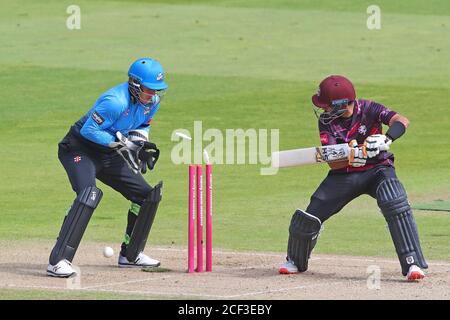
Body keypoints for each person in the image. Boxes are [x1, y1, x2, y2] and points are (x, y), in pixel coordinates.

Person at [279, 75, 428, 281]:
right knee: (310, 214)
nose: (323, 110)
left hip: (378, 170)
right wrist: (351, 156)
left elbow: (401, 120)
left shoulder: (369, 108)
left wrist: (387, 138)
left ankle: (413, 264)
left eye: (327, 106)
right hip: (344, 174)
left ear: (341, 105)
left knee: (394, 200)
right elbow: (332, 161)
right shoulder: (326, 121)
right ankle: (295, 260)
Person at [47, 58, 167, 277]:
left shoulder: (153, 102)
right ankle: (58, 261)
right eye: (149, 89)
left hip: (109, 153)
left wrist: (139, 147)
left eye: (156, 90)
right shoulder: (114, 101)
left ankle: (131, 255)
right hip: (79, 149)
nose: (152, 95)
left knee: (147, 195)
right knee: (88, 194)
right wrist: (127, 145)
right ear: (135, 84)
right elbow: (90, 131)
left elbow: (141, 125)